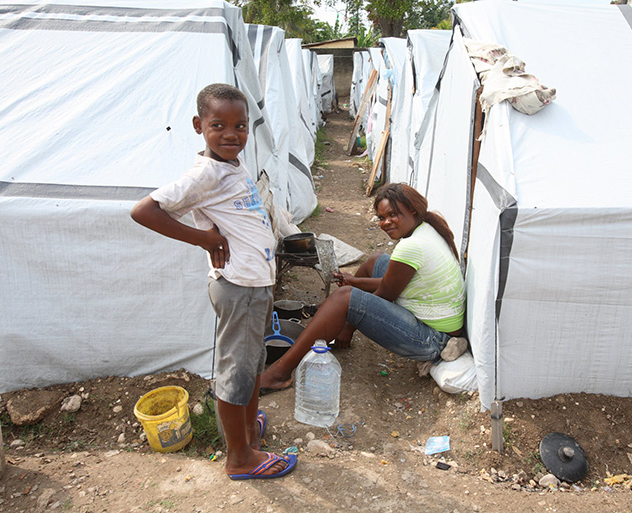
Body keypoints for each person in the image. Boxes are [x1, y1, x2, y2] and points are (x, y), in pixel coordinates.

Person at [130, 83, 296, 480]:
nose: (231, 134)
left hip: (254, 285)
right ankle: (239, 458)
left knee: (252, 365)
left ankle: (247, 431)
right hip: (238, 287)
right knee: (236, 371)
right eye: (218, 125)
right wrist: (203, 238)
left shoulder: (230, 166)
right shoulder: (204, 172)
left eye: (240, 126)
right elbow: (144, 210)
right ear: (198, 125)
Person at [260, 183, 467, 393]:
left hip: (434, 340)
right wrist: (355, 281)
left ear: (412, 210)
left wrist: (349, 314)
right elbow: (392, 282)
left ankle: (279, 373)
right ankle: (336, 325)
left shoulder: (411, 247)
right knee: (376, 261)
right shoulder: (426, 229)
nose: (386, 223)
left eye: (393, 214)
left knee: (344, 299)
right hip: (436, 326)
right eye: (381, 218)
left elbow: (385, 293)